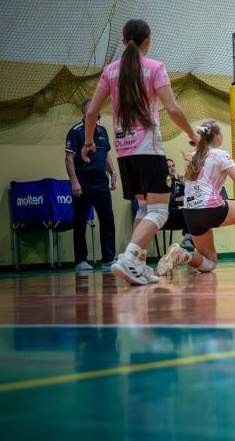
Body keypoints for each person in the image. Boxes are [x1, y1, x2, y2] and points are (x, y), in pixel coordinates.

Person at [83, 19, 198, 285]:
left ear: (123, 41)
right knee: (160, 211)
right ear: (148, 41)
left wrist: (88, 142)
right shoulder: (155, 67)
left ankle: (140, 265)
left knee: (144, 208)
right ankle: (128, 258)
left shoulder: (110, 71)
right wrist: (192, 134)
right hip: (148, 149)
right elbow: (172, 109)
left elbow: (91, 112)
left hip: (124, 151)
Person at [157, 121, 235, 275]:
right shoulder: (220, 154)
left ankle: (182, 254)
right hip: (210, 208)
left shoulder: (193, 155)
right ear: (217, 137)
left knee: (210, 263)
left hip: (189, 213)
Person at [65, 98, 116, 271]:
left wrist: (113, 173)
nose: (95, 115)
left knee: (107, 219)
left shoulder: (103, 131)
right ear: (83, 114)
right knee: (80, 222)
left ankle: (108, 258)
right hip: (82, 182)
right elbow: (69, 159)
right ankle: (81, 260)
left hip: (101, 182)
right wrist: (74, 181)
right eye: (90, 112)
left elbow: (106, 155)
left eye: (97, 112)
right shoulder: (75, 132)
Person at [166, 158, 193, 250]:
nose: (172, 168)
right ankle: (188, 241)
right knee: (187, 212)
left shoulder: (178, 182)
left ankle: (188, 240)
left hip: (175, 216)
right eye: (169, 167)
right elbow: (159, 200)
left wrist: (184, 183)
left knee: (194, 214)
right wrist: (175, 199)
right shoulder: (160, 183)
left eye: (173, 166)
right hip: (163, 217)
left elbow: (190, 195)